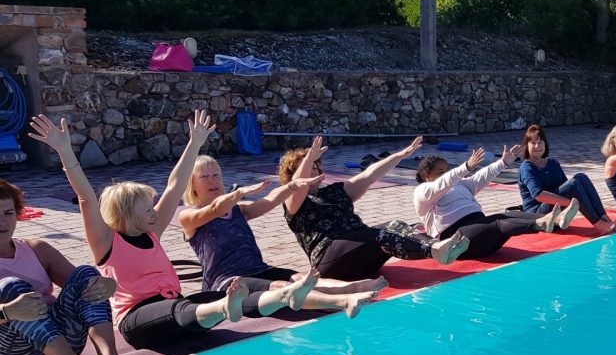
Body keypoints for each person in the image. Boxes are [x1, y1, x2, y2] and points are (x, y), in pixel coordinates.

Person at [30, 111, 320, 351]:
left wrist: (194, 143)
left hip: (176, 310)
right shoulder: (106, 242)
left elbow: (175, 186)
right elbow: (85, 197)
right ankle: (225, 309)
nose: (154, 210)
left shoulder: (151, 229)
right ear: (127, 212)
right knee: (190, 310)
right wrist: (65, 150)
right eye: (147, 206)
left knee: (216, 300)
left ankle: (286, 296)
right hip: (138, 320)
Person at [180, 156, 383, 317]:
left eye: (216, 175)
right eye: (205, 177)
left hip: (258, 269)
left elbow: (268, 200)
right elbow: (216, 208)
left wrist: (292, 186)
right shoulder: (189, 216)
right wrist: (239, 193)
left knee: (301, 277)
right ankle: (342, 302)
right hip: (228, 281)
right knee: (283, 286)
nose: (213, 180)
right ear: (193, 185)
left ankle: (357, 287)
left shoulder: (238, 210)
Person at [0, 179, 132, 355]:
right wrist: (7, 311)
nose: (2, 222)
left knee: (86, 275)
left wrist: (107, 285)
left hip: (60, 351)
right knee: (11, 287)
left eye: (8, 213)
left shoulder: (36, 249)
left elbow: (83, 289)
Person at [279, 135, 469, 281]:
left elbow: (369, 175)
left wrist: (399, 156)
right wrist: (307, 158)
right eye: (305, 166)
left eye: (314, 165)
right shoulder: (292, 200)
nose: (311, 169)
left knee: (395, 226)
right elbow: (298, 186)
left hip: (361, 259)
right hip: (331, 261)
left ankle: (436, 247)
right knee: (376, 234)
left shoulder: (335, 191)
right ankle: (435, 249)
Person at [414, 144, 577, 259]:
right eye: (440, 171)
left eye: (447, 170)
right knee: (498, 222)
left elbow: (481, 177)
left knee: (512, 215)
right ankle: (540, 223)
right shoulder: (423, 192)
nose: (446, 173)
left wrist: (503, 162)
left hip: (482, 237)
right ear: (427, 175)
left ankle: (556, 220)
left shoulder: (460, 184)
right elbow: (442, 183)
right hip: (456, 242)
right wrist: (466, 167)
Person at [518, 124, 616, 235]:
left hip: (555, 207)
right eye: (533, 143)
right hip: (537, 213)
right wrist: (571, 203)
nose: (537, 146)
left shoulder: (552, 162)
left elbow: (565, 186)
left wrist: (573, 202)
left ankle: (605, 218)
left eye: (540, 142)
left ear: (545, 144)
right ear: (527, 146)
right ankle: (599, 225)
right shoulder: (526, 168)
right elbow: (538, 195)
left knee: (581, 177)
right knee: (573, 184)